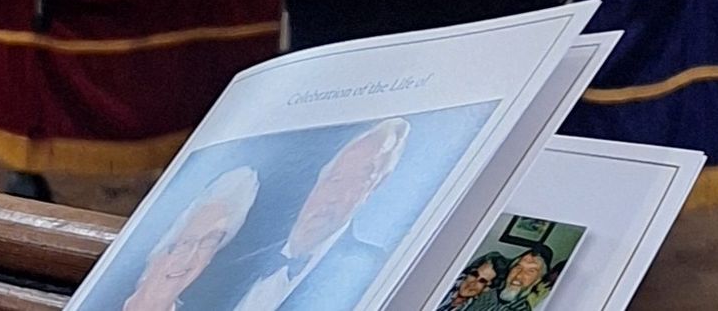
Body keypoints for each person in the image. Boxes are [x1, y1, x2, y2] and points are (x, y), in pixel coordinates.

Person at [227, 117, 410, 310]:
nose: (334, 197)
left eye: (357, 184)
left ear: (373, 189)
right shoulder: (240, 263)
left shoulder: (372, 267)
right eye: (335, 179)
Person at [118, 166, 259, 311]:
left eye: (209, 242)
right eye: (185, 242)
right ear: (161, 245)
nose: (189, 258)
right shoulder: (105, 289)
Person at [436, 252, 506, 310]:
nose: (472, 283)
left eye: (482, 281)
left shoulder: (477, 307)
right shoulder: (444, 285)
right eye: (474, 274)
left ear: (487, 289)